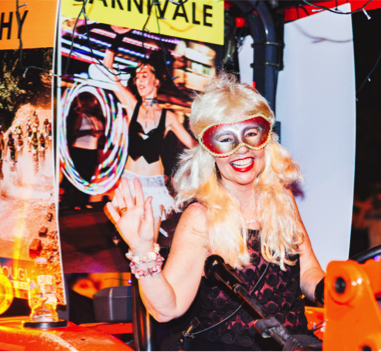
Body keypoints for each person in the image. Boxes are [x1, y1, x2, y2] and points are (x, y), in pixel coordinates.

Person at [106, 73, 325, 351]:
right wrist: (141, 249)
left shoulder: (283, 199)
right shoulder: (201, 217)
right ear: (209, 151)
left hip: (295, 345)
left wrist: (332, 290)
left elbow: (308, 272)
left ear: (266, 138)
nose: (241, 150)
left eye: (251, 134)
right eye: (225, 139)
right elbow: (167, 309)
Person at [103, 25, 197, 234]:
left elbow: (192, 145)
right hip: (129, 178)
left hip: (154, 183)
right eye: (136, 77)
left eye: (144, 75)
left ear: (156, 81)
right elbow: (107, 69)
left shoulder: (169, 117)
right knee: (131, 236)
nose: (139, 80)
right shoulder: (131, 105)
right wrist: (117, 38)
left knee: (150, 240)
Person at [66, 92, 105, 209]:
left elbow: (100, 135)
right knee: (80, 176)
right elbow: (74, 132)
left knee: (88, 176)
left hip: (92, 150)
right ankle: (75, 202)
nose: (95, 104)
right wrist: (89, 132)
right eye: (92, 101)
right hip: (80, 150)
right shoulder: (81, 116)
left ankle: (84, 202)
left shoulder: (97, 118)